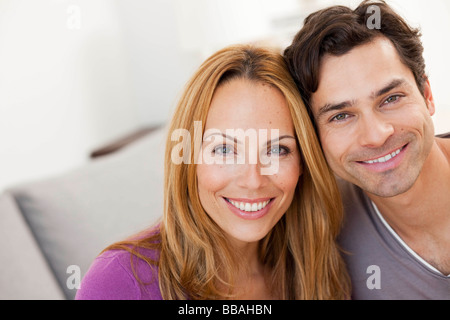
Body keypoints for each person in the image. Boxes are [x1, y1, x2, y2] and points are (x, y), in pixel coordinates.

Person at [75, 44, 351, 300]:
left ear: (303, 162)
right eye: (224, 150)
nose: (253, 180)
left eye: (277, 150)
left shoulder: (317, 263)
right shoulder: (120, 281)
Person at [284, 0, 450, 299]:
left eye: (391, 98)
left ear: (427, 95)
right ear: (314, 136)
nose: (375, 136)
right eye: (341, 116)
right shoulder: (320, 232)